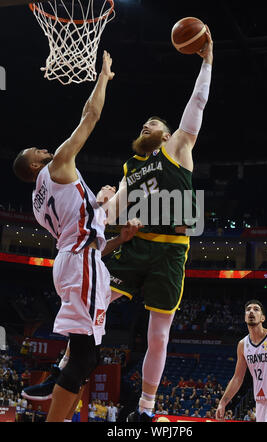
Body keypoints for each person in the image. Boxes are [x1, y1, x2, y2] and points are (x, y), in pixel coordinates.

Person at [12, 51, 140, 422]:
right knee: (86, 355)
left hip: (73, 262)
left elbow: (84, 234)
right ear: (34, 164)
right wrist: (103, 77)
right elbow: (91, 116)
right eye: (35, 151)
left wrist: (115, 233)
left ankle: (55, 386)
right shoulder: (57, 166)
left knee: (86, 352)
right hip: (79, 262)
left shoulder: (38, 204)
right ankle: (54, 395)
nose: (42, 149)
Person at [98, 26, 213, 422]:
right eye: (142, 124)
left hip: (170, 250)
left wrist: (207, 61)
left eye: (152, 124)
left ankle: (145, 409)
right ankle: (65, 365)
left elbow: (197, 102)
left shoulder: (179, 145)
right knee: (95, 297)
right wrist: (104, 202)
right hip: (137, 244)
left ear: (166, 133)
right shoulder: (131, 166)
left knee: (158, 334)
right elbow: (110, 217)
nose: (145, 126)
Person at [216, 299, 267, 422]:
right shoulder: (243, 345)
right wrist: (223, 402)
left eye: (256, 309)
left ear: (262, 318)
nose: (251, 311)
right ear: (244, 317)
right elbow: (238, 378)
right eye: (248, 309)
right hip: (260, 404)